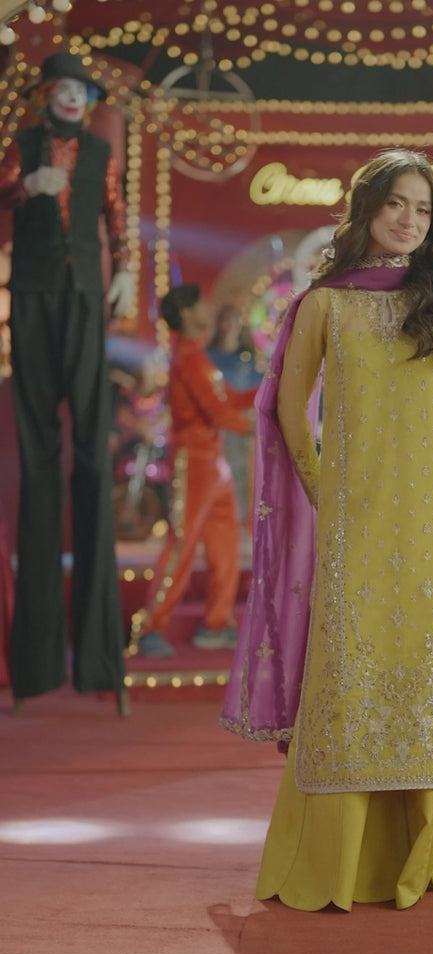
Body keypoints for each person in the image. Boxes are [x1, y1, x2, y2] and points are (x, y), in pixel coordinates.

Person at [221, 148, 433, 911]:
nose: (409, 220)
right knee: (356, 670)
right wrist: (326, 490)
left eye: (423, 209)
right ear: (367, 209)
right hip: (357, 523)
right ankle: (344, 860)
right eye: (397, 204)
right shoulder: (325, 304)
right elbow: (289, 409)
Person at [0, 51, 134, 712]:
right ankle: (36, 664)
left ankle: (100, 656)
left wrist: (125, 268)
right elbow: (1, 196)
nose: (76, 97)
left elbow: (116, 212)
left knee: (91, 455)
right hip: (31, 293)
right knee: (39, 456)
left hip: (84, 295)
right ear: (47, 94)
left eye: (84, 89)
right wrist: (28, 187)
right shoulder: (21, 147)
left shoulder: (100, 153)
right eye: (66, 88)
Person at [132, 285, 256, 657]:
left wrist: (271, 386)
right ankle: (150, 627)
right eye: (201, 303)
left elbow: (229, 400)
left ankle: (216, 624)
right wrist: (258, 424)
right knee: (183, 544)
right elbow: (219, 412)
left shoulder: (198, 356)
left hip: (214, 463)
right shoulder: (187, 357)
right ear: (186, 313)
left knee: (226, 546)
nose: (208, 308)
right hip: (194, 464)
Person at [207, 303, 263, 529]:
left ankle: (239, 519)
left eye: (233, 320)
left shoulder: (249, 359)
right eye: (225, 319)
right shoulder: (207, 357)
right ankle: (215, 521)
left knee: (241, 469)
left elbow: (256, 391)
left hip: (242, 422)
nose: (229, 325)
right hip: (215, 421)